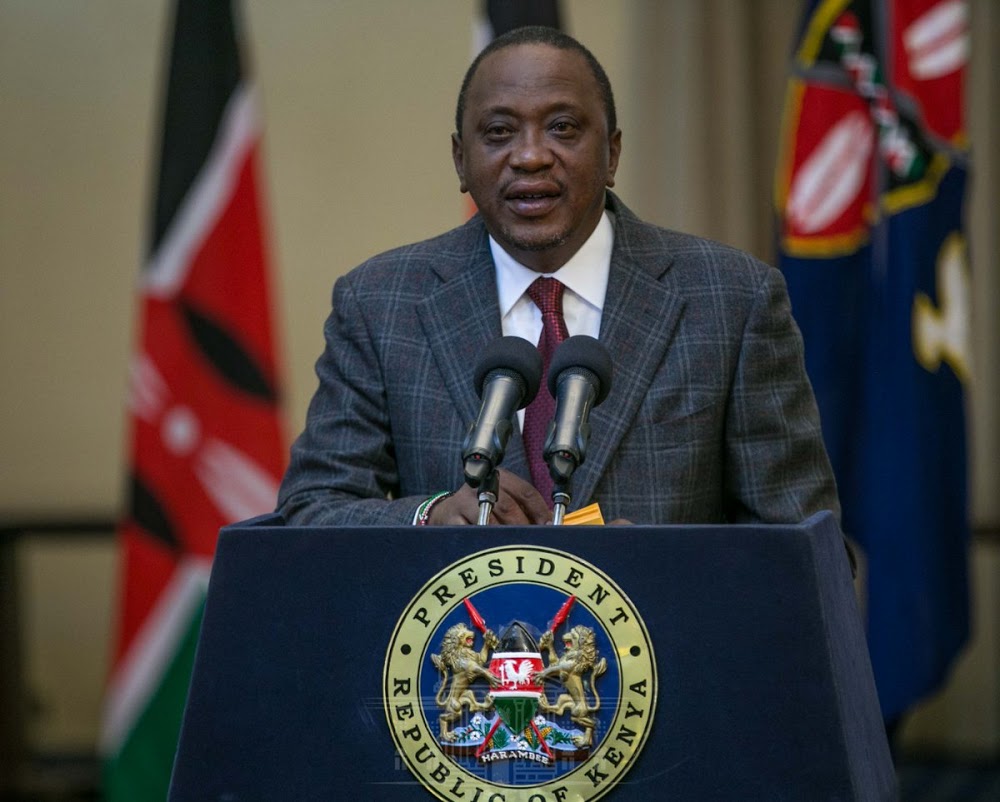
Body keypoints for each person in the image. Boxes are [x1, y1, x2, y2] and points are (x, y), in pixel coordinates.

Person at [276, 26, 840, 528]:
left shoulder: (731, 300)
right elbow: (311, 512)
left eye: (562, 128)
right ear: (460, 160)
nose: (530, 157)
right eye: (499, 132)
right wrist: (428, 517)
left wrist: (664, 572)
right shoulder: (380, 305)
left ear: (612, 153)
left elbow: (802, 549)